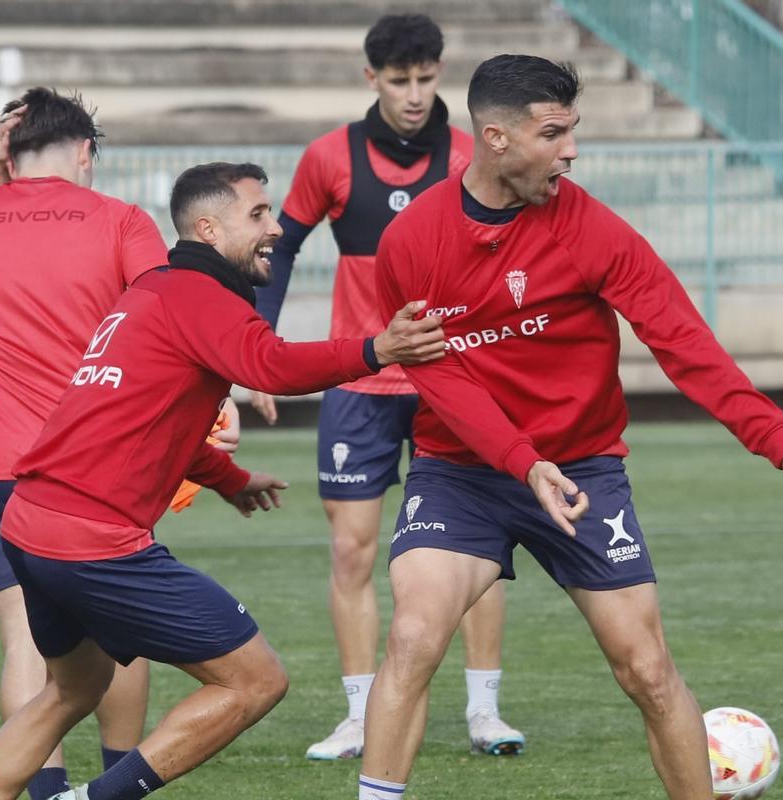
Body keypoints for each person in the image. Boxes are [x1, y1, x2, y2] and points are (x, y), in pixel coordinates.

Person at [356, 55, 783, 800]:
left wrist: (779, 444)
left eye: (574, 131)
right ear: (495, 139)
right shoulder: (412, 243)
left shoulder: (592, 229)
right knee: (411, 637)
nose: (571, 150)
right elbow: (435, 373)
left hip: (584, 470)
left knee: (647, 669)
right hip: (461, 471)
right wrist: (519, 460)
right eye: (554, 133)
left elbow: (684, 342)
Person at [0, 160, 447, 800]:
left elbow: (153, 419)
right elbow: (270, 366)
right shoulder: (198, 296)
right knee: (255, 680)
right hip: (91, 539)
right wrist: (376, 351)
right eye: (258, 214)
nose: (275, 227)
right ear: (208, 228)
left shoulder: (153, 292)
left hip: (29, 523)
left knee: (71, 689)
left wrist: (228, 478)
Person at [251, 13, 523, 759]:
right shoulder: (328, 158)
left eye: (426, 79)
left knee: (481, 546)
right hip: (360, 379)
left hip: (453, 378)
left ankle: (485, 710)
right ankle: (360, 713)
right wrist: (257, 353)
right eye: (399, 81)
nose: (413, 94)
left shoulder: (473, 154)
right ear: (371, 78)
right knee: (352, 552)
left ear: (441, 73)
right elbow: (278, 252)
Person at [0, 87, 187, 800]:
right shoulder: (121, 220)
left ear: (9, 151)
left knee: (23, 636)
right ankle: (117, 782)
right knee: (120, 627)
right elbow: (163, 321)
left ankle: (41, 792)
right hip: (97, 464)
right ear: (85, 151)